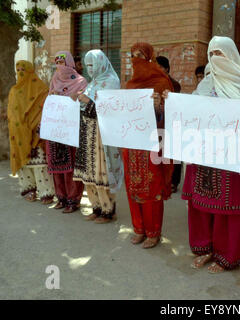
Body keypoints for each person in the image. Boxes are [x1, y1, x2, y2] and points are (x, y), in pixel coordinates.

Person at [169, 36, 240, 273]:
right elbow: (191, 113)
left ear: (231, 54)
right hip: (203, 155)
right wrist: (171, 103)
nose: (215, 58)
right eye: (212, 54)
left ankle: (226, 256)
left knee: (227, 209)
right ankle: (204, 248)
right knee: (200, 206)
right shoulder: (205, 85)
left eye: (220, 53)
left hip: (232, 158)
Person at [122, 42, 174, 249]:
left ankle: (154, 231)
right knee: (133, 186)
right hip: (132, 144)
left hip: (152, 143)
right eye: (132, 55)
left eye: (140, 56)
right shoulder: (130, 85)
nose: (136, 60)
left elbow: (170, 115)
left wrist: (158, 107)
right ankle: (139, 228)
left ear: (150, 57)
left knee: (152, 187)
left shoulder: (161, 83)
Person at [72, 49, 124, 223]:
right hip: (88, 132)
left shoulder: (112, 81)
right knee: (90, 171)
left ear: (101, 62)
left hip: (103, 134)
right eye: (87, 65)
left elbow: (111, 108)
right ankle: (96, 207)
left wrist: (88, 101)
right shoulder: (93, 83)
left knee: (103, 170)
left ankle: (108, 211)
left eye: (92, 64)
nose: (90, 68)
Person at [7, 60, 55, 204]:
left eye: (24, 69)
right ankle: (29, 190)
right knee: (24, 164)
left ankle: (46, 192)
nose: (21, 73)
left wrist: (38, 126)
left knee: (40, 164)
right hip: (19, 133)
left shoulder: (41, 89)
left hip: (36, 132)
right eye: (18, 70)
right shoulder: (14, 91)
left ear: (30, 71)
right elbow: (11, 113)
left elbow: (45, 109)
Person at [46, 51, 87, 213]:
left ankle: (73, 199)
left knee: (71, 166)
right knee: (56, 164)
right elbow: (48, 101)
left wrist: (70, 98)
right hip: (55, 128)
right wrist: (52, 96)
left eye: (62, 62)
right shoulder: (54, 79)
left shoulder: (80, 81)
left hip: (72, 129)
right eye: (57, 62)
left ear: (69, 63)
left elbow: (83, 104)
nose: (59, 66)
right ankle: (61, 198)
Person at [156, 55, 183, 193]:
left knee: (175, 154)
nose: (158, 69)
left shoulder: (174, 84)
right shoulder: (153, 83)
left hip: (172, 123)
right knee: (162, 154)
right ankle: (164, 180)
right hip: (159, 123)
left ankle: (174, 182)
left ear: (167, 68)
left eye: (160, 66)